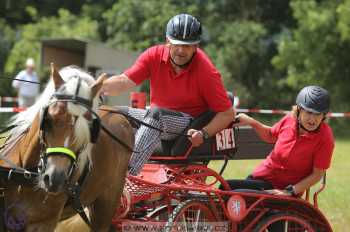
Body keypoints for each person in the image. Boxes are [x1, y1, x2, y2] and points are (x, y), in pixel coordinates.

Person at [102, 13, 235, 176]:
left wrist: (204, 133)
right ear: (167, 41)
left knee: (157, 115)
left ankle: (128, 175)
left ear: (196, 46)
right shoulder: (153, 55)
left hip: (186, 124)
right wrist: (95, 88)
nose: (180, 50)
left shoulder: (206, 71)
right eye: (176, 44)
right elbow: (124, 81)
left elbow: (228, 113)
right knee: (111, 114)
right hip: (154, 119)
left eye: (187, 46)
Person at [228, 86, 334, 196]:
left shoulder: (325, 138)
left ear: (324, 115)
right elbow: (270, 135)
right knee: (225, 188)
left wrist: (289, 191)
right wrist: (251, 122)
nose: (312, 119)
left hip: (282, 190)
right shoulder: (289, 120)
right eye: (308, 112)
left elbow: (317, 175)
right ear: (299, 110)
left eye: (317, 113)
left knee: (234, 197)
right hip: (260, 179)